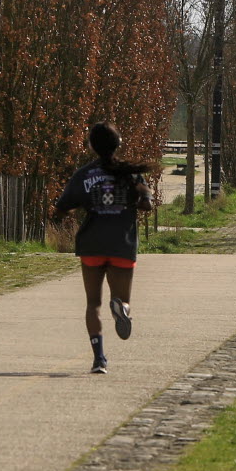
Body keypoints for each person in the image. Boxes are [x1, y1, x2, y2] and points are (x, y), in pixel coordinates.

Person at [53, 122, 155, 374]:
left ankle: (99, 358)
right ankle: (121, 309)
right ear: (118, 144)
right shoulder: (131, 174)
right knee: (124, 299)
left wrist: (65, 212)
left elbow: (63, 206)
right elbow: (147, 205)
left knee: (92, 304)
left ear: (91, 146)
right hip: (122, 243)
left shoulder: (84, 175)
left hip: (92, 244)